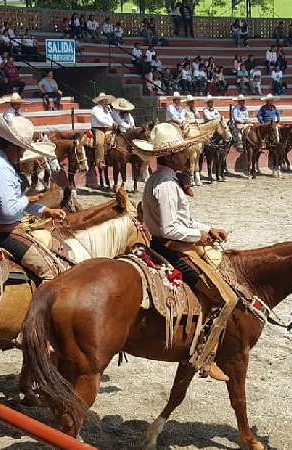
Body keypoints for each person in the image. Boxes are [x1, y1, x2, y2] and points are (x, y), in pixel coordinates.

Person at [136, 123, 232, 382]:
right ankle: (205, 356)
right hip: (173, 249)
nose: (186, 156)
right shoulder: (166, 185)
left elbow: (182, 222)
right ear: (169, 156)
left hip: (169, 243)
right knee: (224, 298)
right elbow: (170, 228)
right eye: (181, 152)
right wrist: (199, 236)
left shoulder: (162, 180)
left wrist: (208, 229)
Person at [0, 111, 67, 281]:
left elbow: (14, 202)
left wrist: (46, 211)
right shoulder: (1, 167)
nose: (23, 155)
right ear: (12, 146)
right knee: (51, 271)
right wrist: (28, 199)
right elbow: (10, 210)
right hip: (2, 232)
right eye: (22, 149)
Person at [90, 92, 116, 171]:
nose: (106, 102)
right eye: (105, 100)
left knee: (115, 140)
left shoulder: (107, 110)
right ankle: (100, 161)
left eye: (106, 101)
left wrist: (113, 123)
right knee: (100, 143)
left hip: (107, 128)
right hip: (98, 128)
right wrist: (111, 124)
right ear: (100, 101)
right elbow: (100, 120)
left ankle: (110, 158)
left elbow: (110, 118)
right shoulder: (95, 109)